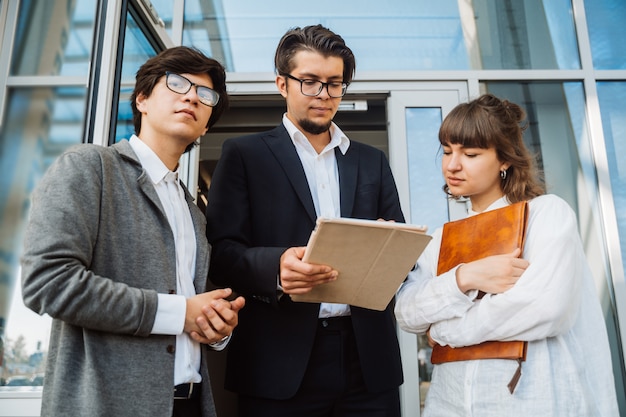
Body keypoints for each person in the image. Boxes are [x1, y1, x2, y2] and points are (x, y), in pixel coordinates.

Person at [20, 46, 245, 417]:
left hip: (189, 403)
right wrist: (180, 313)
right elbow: (47, 281)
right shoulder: (91, 167)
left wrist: (215, 327)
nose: (191, 95)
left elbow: (192, 310)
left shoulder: (193, 212)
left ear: (206, 125)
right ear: (142, 98)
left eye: (206, 95)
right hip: (107, 405)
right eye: (177, 84)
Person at [205, 24, 404, 416]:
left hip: (368, 362)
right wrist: (276, 268)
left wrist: (389, 246)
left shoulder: (371, 161)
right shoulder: (244, 154)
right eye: (310, 82)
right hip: (278, 360)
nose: (324, 95)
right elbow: (221, 253)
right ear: (282, 83)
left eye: (334, 84)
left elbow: (401, 251)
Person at [394, 94, 619, 416]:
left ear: (505, 159)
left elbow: (545, 308)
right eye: (446, 151)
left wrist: (444, 331)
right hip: (449, 401)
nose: (452, 165)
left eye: (470, 153)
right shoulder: (441, 238)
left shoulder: (545, 214)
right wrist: (464, 277)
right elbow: (407, 313)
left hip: (533, 400)